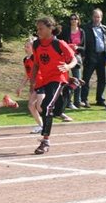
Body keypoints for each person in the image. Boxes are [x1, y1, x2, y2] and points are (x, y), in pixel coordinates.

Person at [30, 16, 78, 154]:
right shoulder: (36, 44)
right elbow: (36, 64)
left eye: (41, 28)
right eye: (37, 29)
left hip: (58, 78)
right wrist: (32, 80)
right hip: (44, 79)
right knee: (53, 110)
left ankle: (45, 141)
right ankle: (68, 91)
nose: (38, 31)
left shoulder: (59, 43)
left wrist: (68, 66)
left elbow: (74, 59)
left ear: (50, 29)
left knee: (46, 106)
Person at [81, 7, 106, 107]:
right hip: (90, 56)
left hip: (102, 56)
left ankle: (100, 99)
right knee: (86, 79)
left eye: (98, 17)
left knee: (102, 79)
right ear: (92, 17)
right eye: (95, 17)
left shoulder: (104, 28)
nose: (97, 19)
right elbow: (83, 43)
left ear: (101, 18)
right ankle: (84, 99)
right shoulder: (86, 28)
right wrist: (83, 55)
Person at [16, 37, 44, 134]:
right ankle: (41, 125)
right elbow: (26, 75)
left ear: (33, 47)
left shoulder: (36, 57)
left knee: (40, 107)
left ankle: (50, 120)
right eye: (25, 46)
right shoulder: (25, 60)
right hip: (34, 85)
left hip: (42, 83)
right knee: (31, 105)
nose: (25, 48)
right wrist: (20, 87)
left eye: (28, 46)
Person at [59, 13, 86, 109]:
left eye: (75, 19)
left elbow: (84, 47)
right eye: (72, 19)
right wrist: (69, 46)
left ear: (78, 20)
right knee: (66, 79)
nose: (73, 20)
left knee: (77, 79)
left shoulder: (82, 31)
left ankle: (77, 101)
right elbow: (60, 43)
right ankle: (68, 102)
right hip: (66, 57)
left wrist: (77, 47)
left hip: (77, 57)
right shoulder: (66, 31)